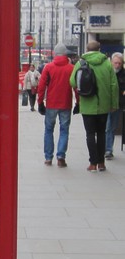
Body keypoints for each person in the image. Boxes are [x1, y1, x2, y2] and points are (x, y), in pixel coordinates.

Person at [70, 40, 119, 172]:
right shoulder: (107, 64)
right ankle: (102, 163)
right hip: (103, 105)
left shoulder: (80, 63)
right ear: (99, 49)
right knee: (102, 133)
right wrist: (114, 104)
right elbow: (114, 86)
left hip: (87, 105)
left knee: (90, 134)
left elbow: (73, 82)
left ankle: (93, 163)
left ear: (87, 49)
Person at [37, 43, 76, 167]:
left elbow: (42, 86)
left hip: (51, 103)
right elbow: (76, 87)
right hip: (66, 103)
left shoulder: (48, 67)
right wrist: (79, 102)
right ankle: (61, 157)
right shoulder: (71, 68)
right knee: (64, 130)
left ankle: (48, 158)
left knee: (48, 130)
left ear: (54, 53)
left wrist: (40, 102)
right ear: (65, 54)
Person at [105, 52, 125, 159]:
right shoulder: (107, 73)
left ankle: (108, 149)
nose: (117, 65)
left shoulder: (123, 74)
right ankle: (107, 149)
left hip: (117, 105)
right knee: (107, 127)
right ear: (111, 62)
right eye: (115, 63)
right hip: (106, 104)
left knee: (112, 127)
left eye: (119, 63)